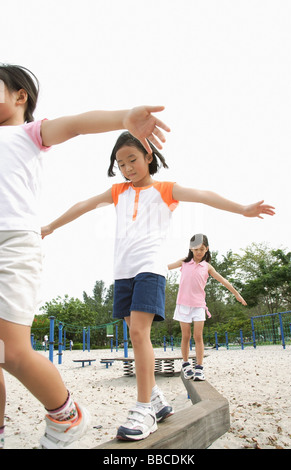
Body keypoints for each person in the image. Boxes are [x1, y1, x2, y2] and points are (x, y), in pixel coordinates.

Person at [41, 131, 275, 441]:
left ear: (148, 157)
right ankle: (157, 400)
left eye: (132, 160)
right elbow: (84, 204)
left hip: (149, 270)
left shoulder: (165, 190)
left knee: (139, 334)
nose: (127, 168)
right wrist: (50, 227)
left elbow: (204, 194)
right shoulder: (117, 192)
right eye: (120, 163)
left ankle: (144, 410)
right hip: (122, 274)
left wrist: (242, 208)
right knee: (134, 336)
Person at [0, 63, 170, 449]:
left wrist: (122, 118)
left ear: (19, 96)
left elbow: (76, 123)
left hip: (11, 243)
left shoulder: (29, 133)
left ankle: (66, 415)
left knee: (10, 350)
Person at [168, 233, 247, 381]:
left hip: (198, 306)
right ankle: (186, 365)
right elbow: (165, 267)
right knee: (186, 336)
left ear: (207, 249)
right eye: (196, 249)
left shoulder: (207, 267)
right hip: (183, 305)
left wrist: (236, 294)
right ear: (191, 249)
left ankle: (199, 368)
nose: (199, 252)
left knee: (198, 336)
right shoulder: (184, 262)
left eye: (202, 249)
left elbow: (223, 280)